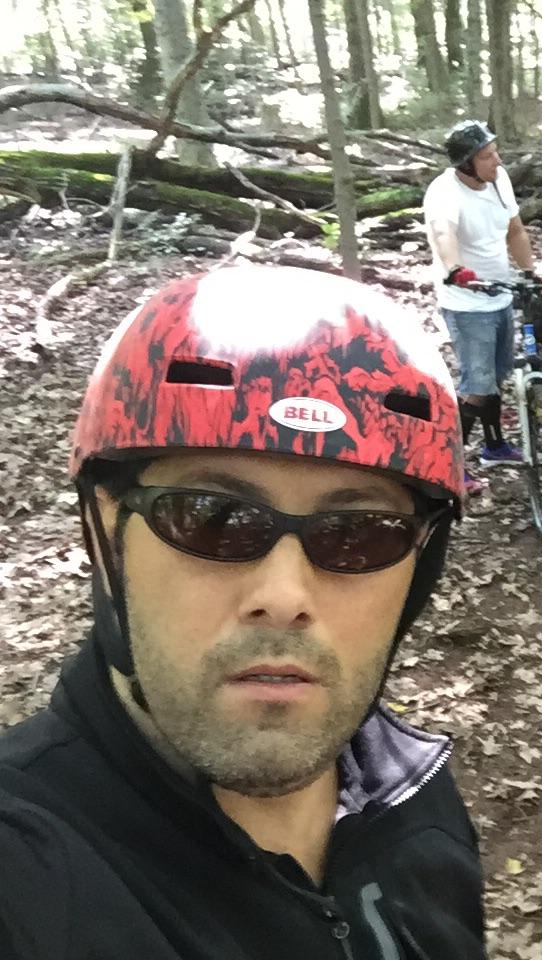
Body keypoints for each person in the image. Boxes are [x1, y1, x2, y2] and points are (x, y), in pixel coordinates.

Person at [0, 266, 486, 959]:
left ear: (420, 565)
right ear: (106, 533)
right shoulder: (28, 874)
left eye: (359, 533)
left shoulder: (414, 798)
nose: (284, 596)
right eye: (213, 519)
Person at [424, 119, 537, 497]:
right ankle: (448, 468)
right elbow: (444, 233)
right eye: (488, 156)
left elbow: (515, 230)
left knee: (496, 375)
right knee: (477, 385)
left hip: (500, 293)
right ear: (466, 164)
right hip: (467, 302)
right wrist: (455, 269)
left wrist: (530, 272)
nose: (498, 161)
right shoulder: (444, 193)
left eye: (495, 152)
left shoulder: (498, 180)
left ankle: (494, 447)